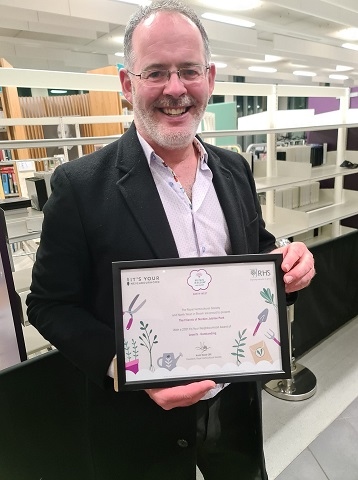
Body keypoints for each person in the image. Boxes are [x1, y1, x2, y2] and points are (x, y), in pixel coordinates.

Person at [27, 1, 315, 479]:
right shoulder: (80, 186)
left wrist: (286, 264)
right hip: (139, 423)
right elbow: (49, 304)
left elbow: (256, 248)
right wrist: (125, 368)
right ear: (127, 83)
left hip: (235, 405)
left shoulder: (234, 168)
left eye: (189, 71)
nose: (176, 89)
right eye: (156, 72)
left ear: (211, 77)